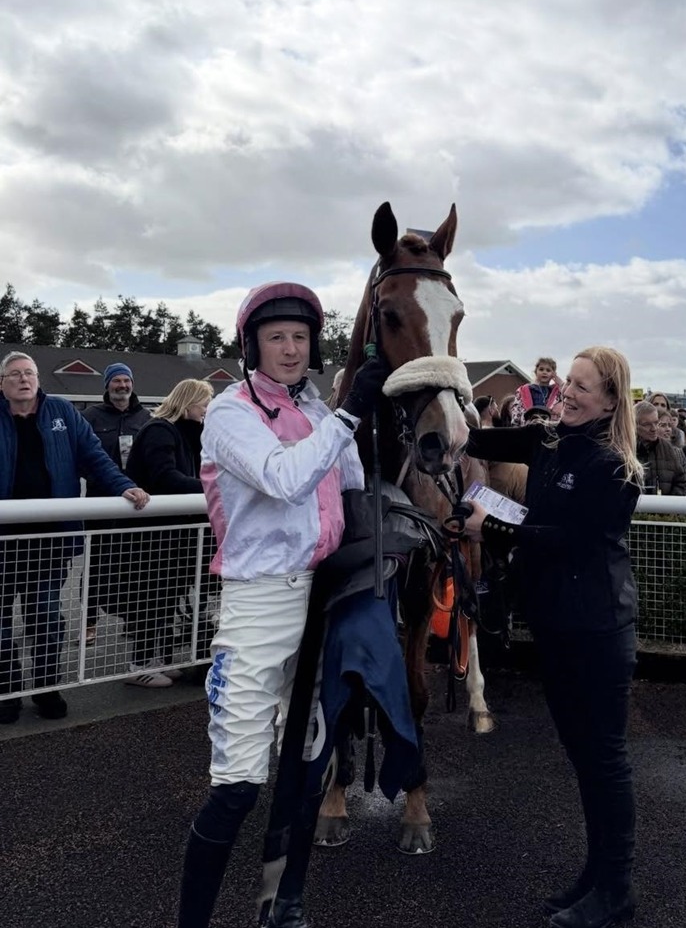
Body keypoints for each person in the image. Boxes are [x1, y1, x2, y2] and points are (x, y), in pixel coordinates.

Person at [177, 282, 388, 928]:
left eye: (300, 337)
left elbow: (356, 487)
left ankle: (283, 904)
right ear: (252, 346)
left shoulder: (323, 416)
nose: (291, 349)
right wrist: (352, 413)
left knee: (305, 766)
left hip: (324, 597)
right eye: (277, 337)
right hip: (260, 603)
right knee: (238, 784)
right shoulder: (229, 412)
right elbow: (284, 477)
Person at [464, 346, 643, 928]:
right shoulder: (545, 438)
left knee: (605, 760)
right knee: (584, 758)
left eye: (583, 386)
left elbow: (571, 539)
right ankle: (597, 876)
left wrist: (487, 525)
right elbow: (477, 442)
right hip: (557, 626)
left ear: (611, 400)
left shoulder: (614, 467)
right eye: (568, 380)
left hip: (596, 629)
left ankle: (615, 890)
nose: (568, 391)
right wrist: (438, 396)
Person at [0, 351, 149, 725]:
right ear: (2, 383)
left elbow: (94, 458)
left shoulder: (62, 413)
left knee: (47, 618)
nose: (23, 379)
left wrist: (124, 486)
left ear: (38, 379)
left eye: (29, 373)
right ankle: (7, 691)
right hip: (3, 543)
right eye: (15, 374)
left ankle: (47, 687)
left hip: (49, 541)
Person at [123, 379, 214, 688]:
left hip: (171, 534)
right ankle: (138, 663)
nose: (206, 410)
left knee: (165, 595)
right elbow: (165, 478)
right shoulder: (160, 430)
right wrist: (215, 489)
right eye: (203, 403)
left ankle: (153, 657)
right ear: (187, 402)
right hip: (150, 534)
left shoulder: (184, 435)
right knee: (150, 595)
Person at [82, 362, 152, 645]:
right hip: (102, 502)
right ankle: (88, 623)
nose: (122, 386)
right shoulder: (90, 417)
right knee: (96, 564)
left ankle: (132, 621)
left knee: (135, 563)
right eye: (117, 381)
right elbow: (83, 457)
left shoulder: (145, 417)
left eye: (126, 381)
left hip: (136, 503)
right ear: (107, 385)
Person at [634, 401, 686, 496]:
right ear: (634, 425)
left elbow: (683, 483)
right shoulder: (622, 450)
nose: (653, 429)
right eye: (646, 424)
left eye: (656, 423)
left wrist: (669, 506)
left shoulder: (668, 449)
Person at [511, 357, 562, 426]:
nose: (544, 372)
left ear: (553, 374)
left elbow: (567, 396)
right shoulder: (523, 390)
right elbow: (516, 409)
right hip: (527, 425)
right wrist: (515, 424)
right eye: (541, 369)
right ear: (536, 372)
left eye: (548, 370)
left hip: (547, 427)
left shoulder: (556, 392)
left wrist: (559, 381)